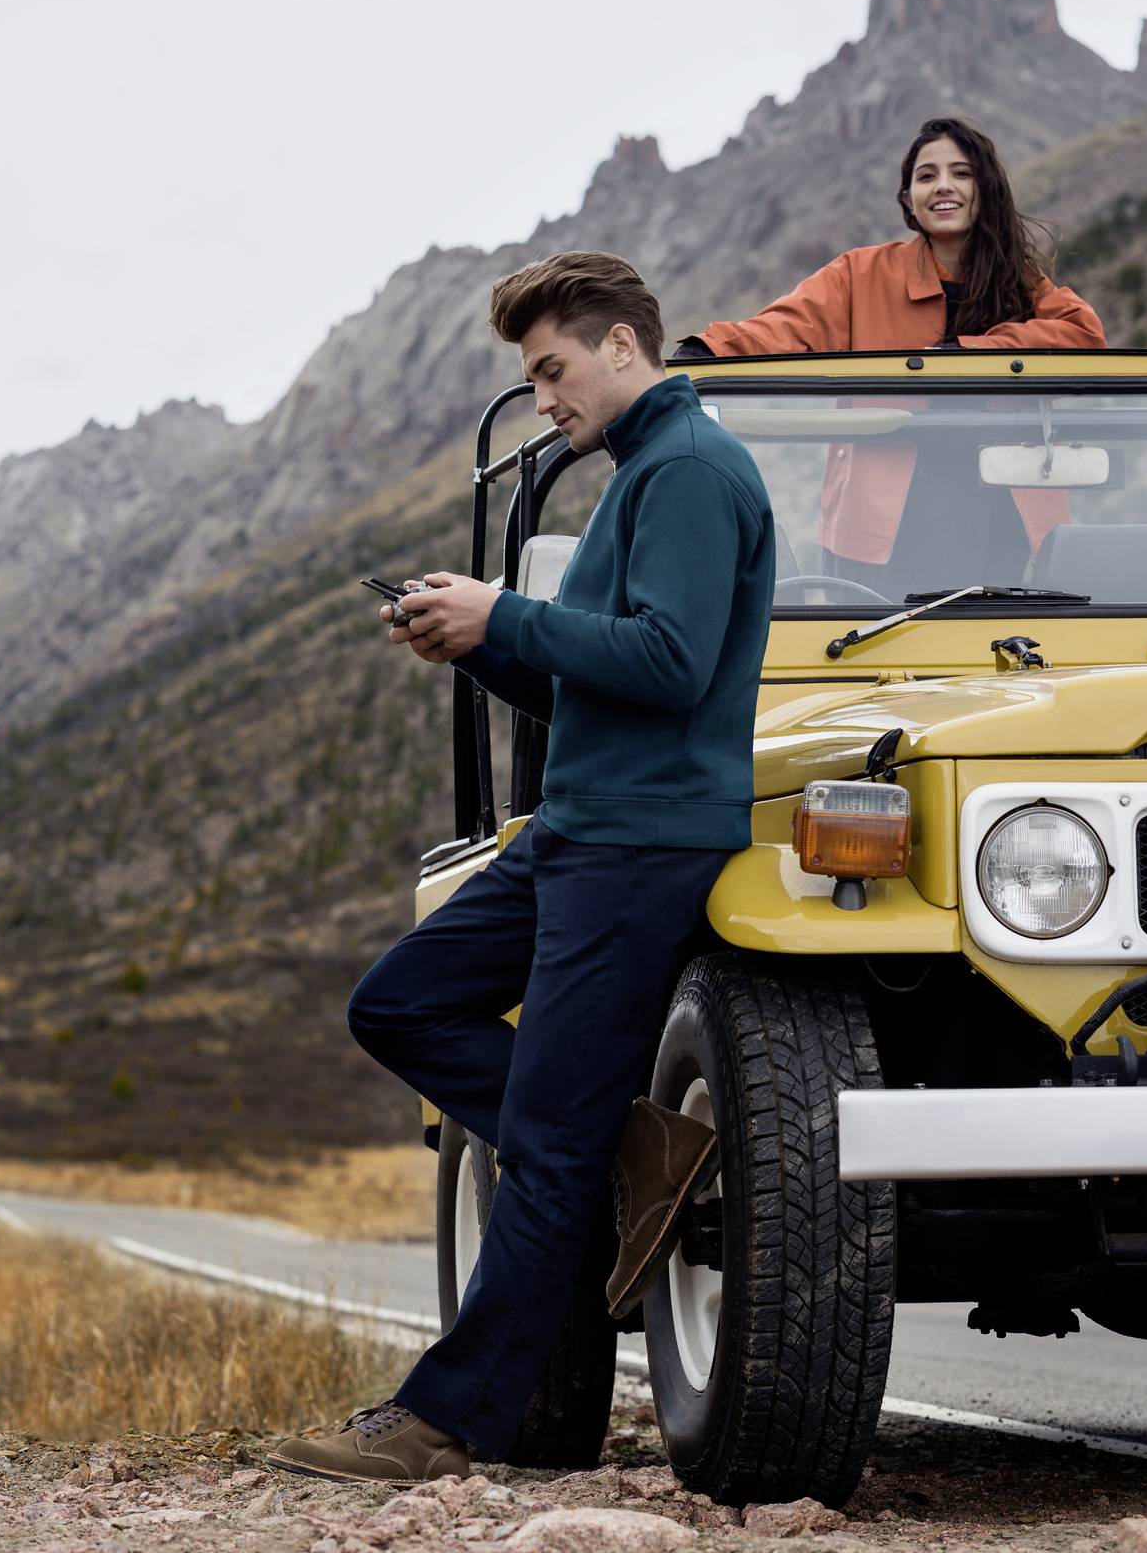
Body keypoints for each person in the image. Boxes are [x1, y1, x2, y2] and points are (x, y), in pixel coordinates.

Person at [268, 251, 775, 1485]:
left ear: (620, 345)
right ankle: (627, 1148)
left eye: (551, 370)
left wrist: (504, 610)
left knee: (541, 1142)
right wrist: (476, 645)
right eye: (532, 377)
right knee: (397, 1002)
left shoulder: (693, 471)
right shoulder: (635, 477)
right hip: (578, 827)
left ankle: (450, 1417)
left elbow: (668, 663)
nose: (544, 397)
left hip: (642, 840)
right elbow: (583, 680)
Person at [676, 114, 1105, 592]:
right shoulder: (860, 274)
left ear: (986, 189)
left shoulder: (1021, 280)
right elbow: (788, 327)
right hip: (880, 524)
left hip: (999, 516)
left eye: (961, 173)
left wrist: (966, 353)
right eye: (927, 176)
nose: (944, 186)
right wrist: (704, 349)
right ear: (908, 199)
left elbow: (1083, 335)